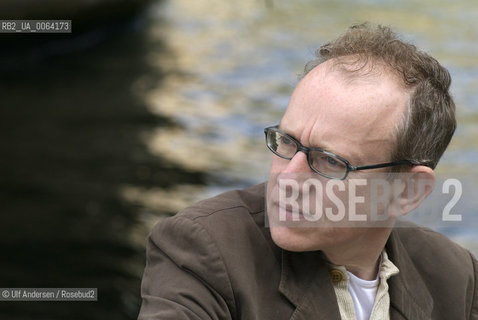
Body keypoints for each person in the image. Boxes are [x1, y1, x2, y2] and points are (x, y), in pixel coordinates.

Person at [138, 23, 477, 320]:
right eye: (286, 142)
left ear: (407, 191)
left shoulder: (454, 275)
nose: (288, 179)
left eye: (330, 161)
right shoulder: (203, 251)